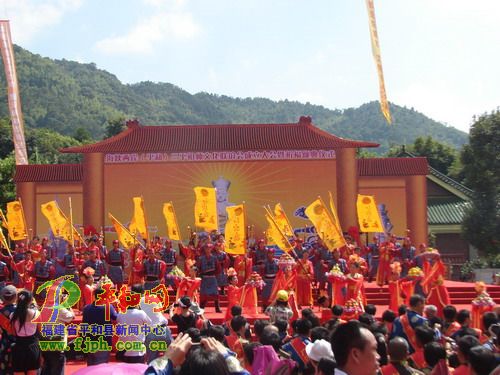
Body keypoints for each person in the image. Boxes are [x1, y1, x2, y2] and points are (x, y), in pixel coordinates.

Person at [40, 291, 75, 375]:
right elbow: (72, 317)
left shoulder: (43, 307)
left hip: (44, 342)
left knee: (46, 369)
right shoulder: (58, 308)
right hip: (57, 343)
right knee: (58, 369)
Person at [116, 284, 152, 363]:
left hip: (124, 350)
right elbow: (149, 324)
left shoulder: (120, 314)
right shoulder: (141, 313)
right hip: (137, 351)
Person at [82, 287, 118, 365]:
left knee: (91, 368)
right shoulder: (108, 308)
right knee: (101, 367)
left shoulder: (87, 308)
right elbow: (116, 318)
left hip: (90, 341)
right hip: (103, 342)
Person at [10, 290, 41, 375]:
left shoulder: (13, 315)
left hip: (19, 347)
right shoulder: (36, 313)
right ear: (31, 300)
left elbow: (13, 332)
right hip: (32, 347)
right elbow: (40, 330)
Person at [139, 284, 172, 363]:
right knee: (170, 359)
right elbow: (160, 311)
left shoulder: (137, 302)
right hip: (163, 329)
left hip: (150, 332)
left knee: (152, 361)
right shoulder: (154, 298)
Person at [198, 244, 221, 312]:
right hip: (204, 278)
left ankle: (217, 308)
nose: (208, 250)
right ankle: (201, 308)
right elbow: (198, 268)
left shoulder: (214, 258)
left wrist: (215, 274)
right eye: (206, 248)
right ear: (204, 249)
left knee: (215, 293)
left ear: (211, 249)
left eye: (209, 248)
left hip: (212, 278)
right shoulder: (201, 258)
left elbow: (218, 268)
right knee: (204, 294)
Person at [0, 285, 17, 375]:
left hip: (4, 343)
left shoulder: (1, 312)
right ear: (15, 296)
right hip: (19, 343)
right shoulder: (20, 311)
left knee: (4, 367)